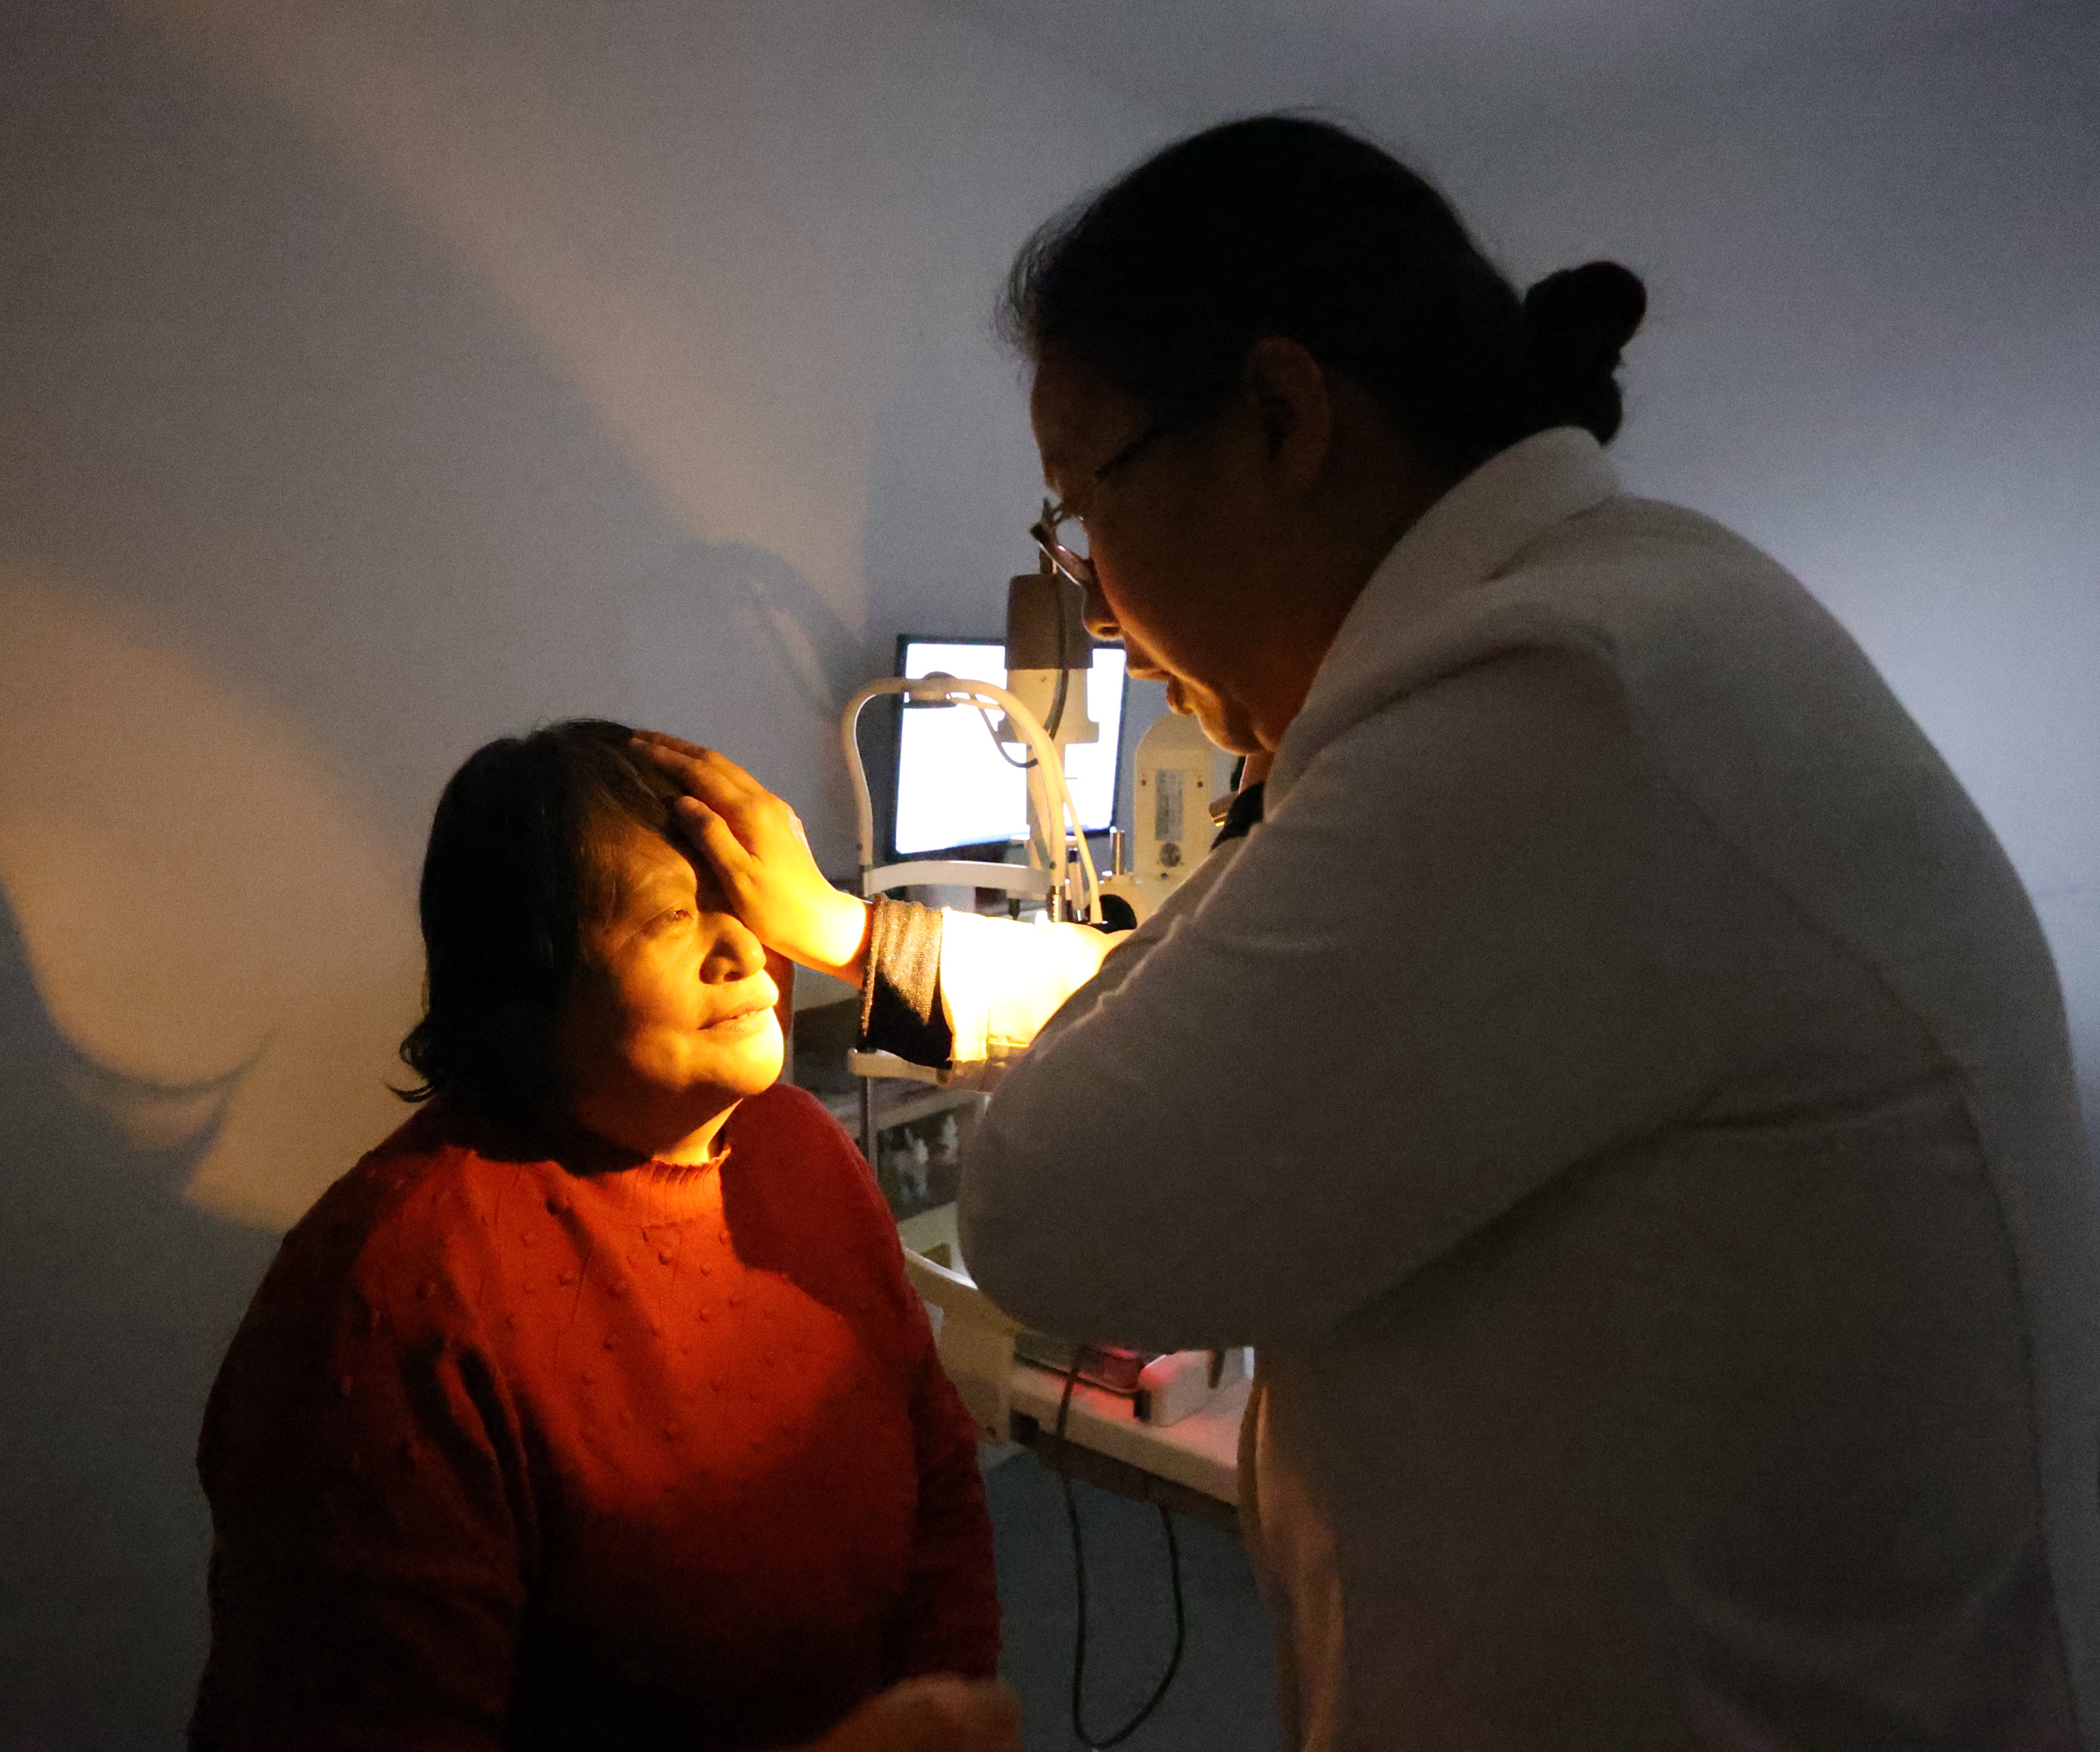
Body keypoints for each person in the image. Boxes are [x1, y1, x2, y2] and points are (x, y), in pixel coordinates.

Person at [641, 114, 2100, 1751]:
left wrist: (1268, 783)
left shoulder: (1558, 702)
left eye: (1081, 505)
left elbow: (1052, 1204)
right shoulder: (1636, 623)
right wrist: (858, 935)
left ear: (1282, 416)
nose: (1094, 597)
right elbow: (1249, 1010)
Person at [190, 721, 1019, 1752]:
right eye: (671, 916)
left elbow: (933, 1466)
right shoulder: (396, 1296)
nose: (745, 952)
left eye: (742, 900)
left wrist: (945, 1699)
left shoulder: (801, 1148)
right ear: (528, 975)